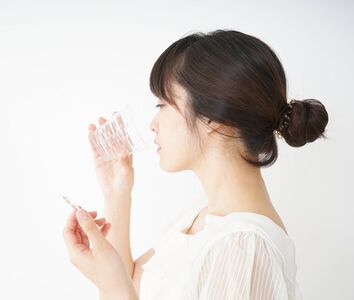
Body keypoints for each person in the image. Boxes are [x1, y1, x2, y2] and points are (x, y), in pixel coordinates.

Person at [63, 29, 329, 299]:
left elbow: (119, 289)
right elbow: (130, 284)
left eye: (162, 105)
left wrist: (110, 283)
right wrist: (116, 191)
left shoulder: (244, 247)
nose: (153, 125)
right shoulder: (202, 219)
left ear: (213, 117)